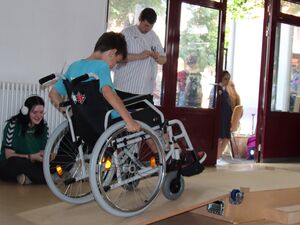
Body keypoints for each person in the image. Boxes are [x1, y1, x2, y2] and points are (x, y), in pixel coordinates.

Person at [49, 31, 140, 133]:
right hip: (109, 121)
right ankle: (156, 149)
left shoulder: (73, 67)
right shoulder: (102, 66)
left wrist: (70, 112)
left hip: (86, 123)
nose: (114, 65)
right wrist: (129, 121)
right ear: (112, 53)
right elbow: (108, 93)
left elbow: (53, 93)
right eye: (116, 61)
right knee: (146, 116)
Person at [113, 7, 167, 103]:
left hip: (145, 91)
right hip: (124, 89)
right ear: (140, 20)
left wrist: (157, 57)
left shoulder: (153, 36)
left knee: (145, 118)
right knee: (122, 118)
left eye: (151, 26)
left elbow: (164, 60)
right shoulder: (127, 33)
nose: (148, 29)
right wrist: (139, 56)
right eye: (146, 25)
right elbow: (117, 57)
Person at [0, 96, 48, 184]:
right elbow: (9, 155)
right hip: (11, 163)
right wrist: (32, 156)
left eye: (41, 112)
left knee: (54, 162)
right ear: (26, 111)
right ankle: (48, 179)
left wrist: (46, 155)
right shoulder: (13, 125)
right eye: (35, 112)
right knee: (18, 162)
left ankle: (26, 178)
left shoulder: (44, 126)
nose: (38, 116)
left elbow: (42, 151)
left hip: (33, 164)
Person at [216, 71, 233, 162]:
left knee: (226, 137)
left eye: (228, 79)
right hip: (221, 117)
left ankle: (219, 155)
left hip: (226, 118)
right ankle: (217, 157)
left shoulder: (226, 91)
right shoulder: (217, 90)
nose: (227, 81)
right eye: (225, 79)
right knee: (219, 138)